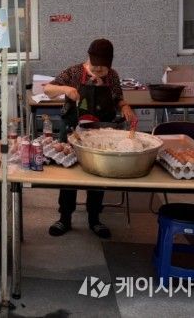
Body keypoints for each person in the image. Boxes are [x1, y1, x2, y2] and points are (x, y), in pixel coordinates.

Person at [43, 38, 136, 239]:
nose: (99, 71)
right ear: (89, 58)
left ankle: (95, 219)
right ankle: (64, 218)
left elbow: (117, 97)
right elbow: (47, 89)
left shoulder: (112, 75)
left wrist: (125, 106)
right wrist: (65, 89)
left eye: (103, 68)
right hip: (72, 130)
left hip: (100, 132)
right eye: (96, 66)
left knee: (98, 175)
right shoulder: (74, 72)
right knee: (68, 176)